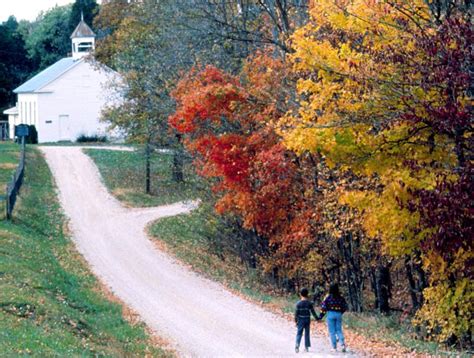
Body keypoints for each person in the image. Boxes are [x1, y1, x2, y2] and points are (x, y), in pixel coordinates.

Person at [320, 283, 348, 353]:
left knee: (332, 332)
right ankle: (342, 345)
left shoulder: (328, 298)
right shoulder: (341, 298)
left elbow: (324, 307)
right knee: (339, 330)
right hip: (338, 314)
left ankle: (334, 347)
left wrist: (320, 316)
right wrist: (340, 312)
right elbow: (345, 307)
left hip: (330, 314)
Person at [294, 287, 319, 353]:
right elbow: (313, 312)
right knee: (307, 333)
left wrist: (296, 321)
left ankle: (297, 345)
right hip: (307, 320)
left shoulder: (298, 304)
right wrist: (317, 318)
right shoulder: (309, 303)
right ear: (307, 294)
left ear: (300, 294)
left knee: (299, 333)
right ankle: (306, 347)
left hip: (300, 320)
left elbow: (296, 314)